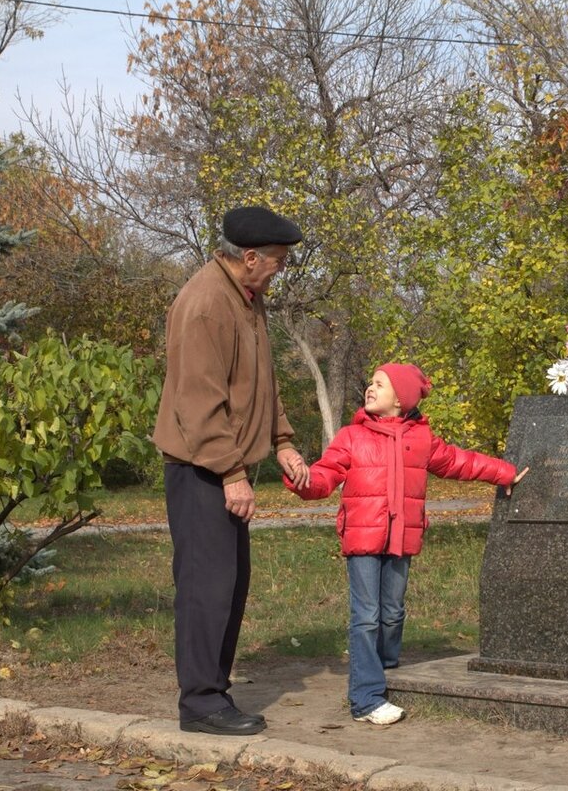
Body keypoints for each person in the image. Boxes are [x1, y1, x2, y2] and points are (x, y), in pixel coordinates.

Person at [284, 363, 528, 725]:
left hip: (402, 538)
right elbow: (325, 475)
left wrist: (504, 472)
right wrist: (302, 480)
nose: (370, 387)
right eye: (370, 382)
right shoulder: (351, 437)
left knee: (393, 612)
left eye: (379, 384)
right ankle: (366, 698)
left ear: (400, 400)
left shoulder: (422, 440)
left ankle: (386, 675)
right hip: (363, 539)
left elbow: (462, 462)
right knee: (366, 617)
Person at [153, 205, 311, 737]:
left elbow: (259, 383)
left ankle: (213, 693)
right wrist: (231, 474)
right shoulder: (205, 305)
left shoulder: (246, 298)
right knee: (207, 587)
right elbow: (200, 403)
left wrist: (283, 441)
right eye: (278, 261)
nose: (280, 270)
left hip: (223, 467)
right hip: (201, 470)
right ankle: (199, 703)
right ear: (248, 258)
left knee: (229, 584)